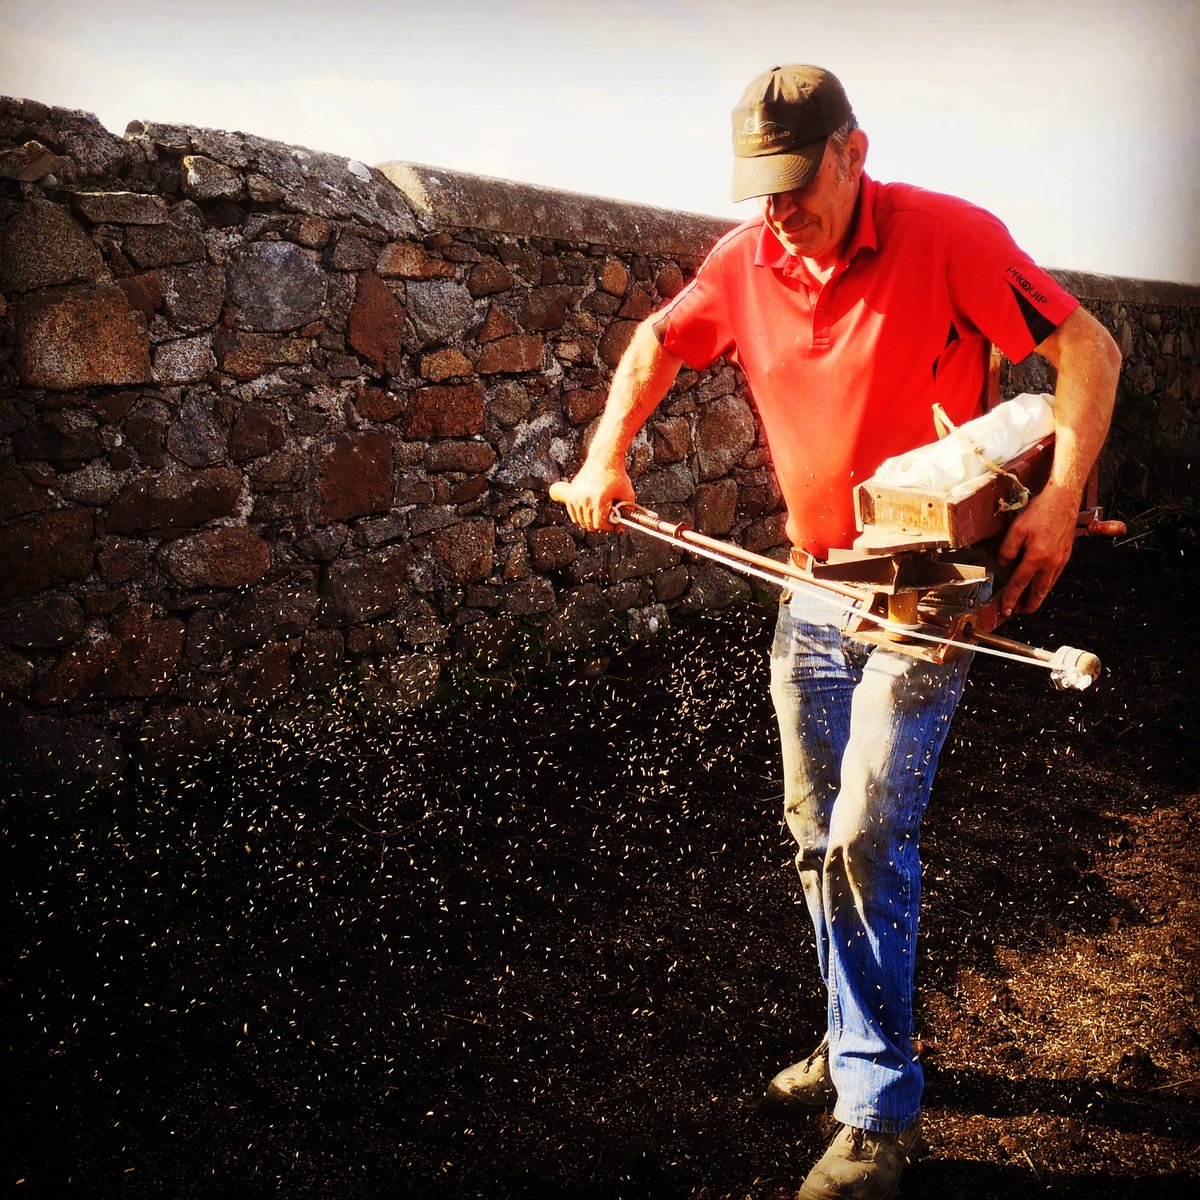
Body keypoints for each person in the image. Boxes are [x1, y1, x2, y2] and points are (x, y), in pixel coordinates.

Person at [553, 64, 1121, 1200]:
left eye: (796, 183)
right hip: (816, 587)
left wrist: (1058, 498)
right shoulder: (744, 259)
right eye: (758, 188)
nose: (778, 211)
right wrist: (606, 453)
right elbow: (659, 345)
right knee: (816, 829)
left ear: (852, 153)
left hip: (927, 590)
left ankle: (876, 1111)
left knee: (865, 828)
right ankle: (850, 1030)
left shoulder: (947, 237)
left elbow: (1088, 353)